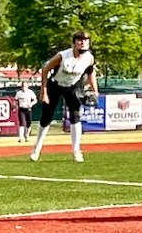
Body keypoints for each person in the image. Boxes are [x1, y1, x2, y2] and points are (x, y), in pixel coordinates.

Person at [30, 31, 97, 162]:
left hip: (73, 86)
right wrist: (43, 91)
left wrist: (96, 90)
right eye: (79, 40)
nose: (83, 43)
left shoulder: (89, 58)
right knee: (46, 117)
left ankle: (76, 151)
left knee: (75, 115)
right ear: (73, 43)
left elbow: (90, 73)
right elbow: (45, 70)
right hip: (55, 84)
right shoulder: (62, 56)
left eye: (85, 40)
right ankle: (36, 148)